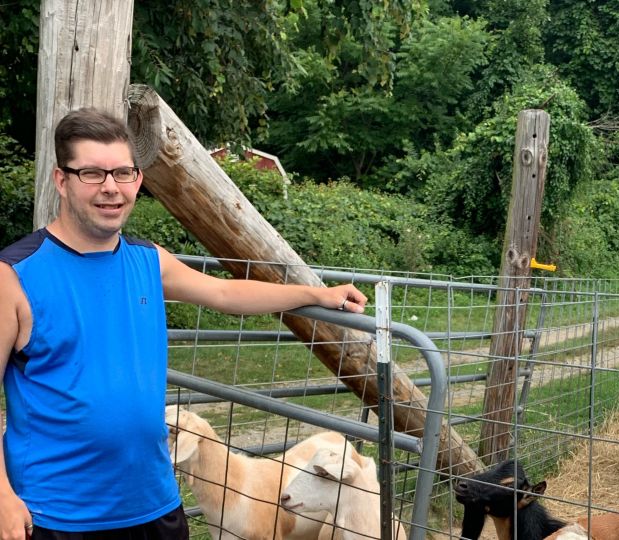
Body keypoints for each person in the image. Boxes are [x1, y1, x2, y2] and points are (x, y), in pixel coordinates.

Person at [0, 108, 368, 539]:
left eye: (123, 173)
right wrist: (3, 497)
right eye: (92, 174)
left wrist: (315, 294)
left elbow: (225, 293)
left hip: (152, 507)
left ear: (138, 179)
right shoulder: (15, 275)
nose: (111, 188)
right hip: (55, 515)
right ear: (62, 180)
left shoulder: (147, 261)